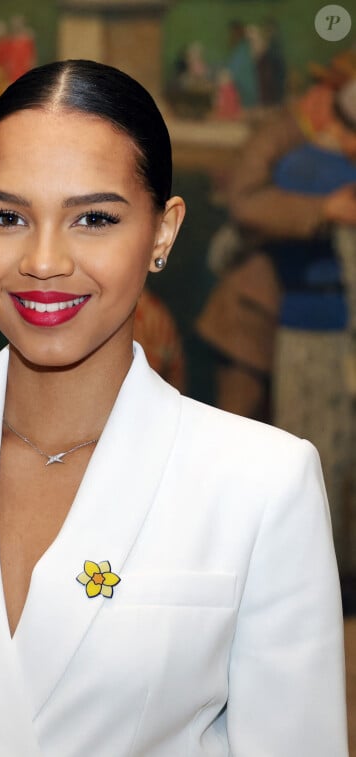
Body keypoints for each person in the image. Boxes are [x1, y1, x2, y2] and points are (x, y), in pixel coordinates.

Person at [0, 60, 347, 756]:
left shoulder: (262, 483)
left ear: (162, 233)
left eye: (93, 218)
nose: (44, 260)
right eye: (5, 216)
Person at [197, 76, 356, 571]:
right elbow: (248, 207)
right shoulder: (286, 143)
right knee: (241, 450)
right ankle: (224, 569)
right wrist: (323, 209)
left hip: (306, 317)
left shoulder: (324, 152)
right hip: (254, 315)